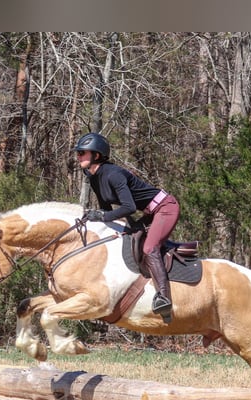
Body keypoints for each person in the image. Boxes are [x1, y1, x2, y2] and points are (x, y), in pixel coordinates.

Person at [74, 132, 179, 322]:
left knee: (149, 248)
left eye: (82, 152)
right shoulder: (94, 178)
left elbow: (128, 207)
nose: (78, 156)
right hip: (148, 213)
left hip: (165, 207)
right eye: (78, 153)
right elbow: (106, 210)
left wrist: (103, 216)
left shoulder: (113, 174)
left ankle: (164, 298)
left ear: (96, 155)